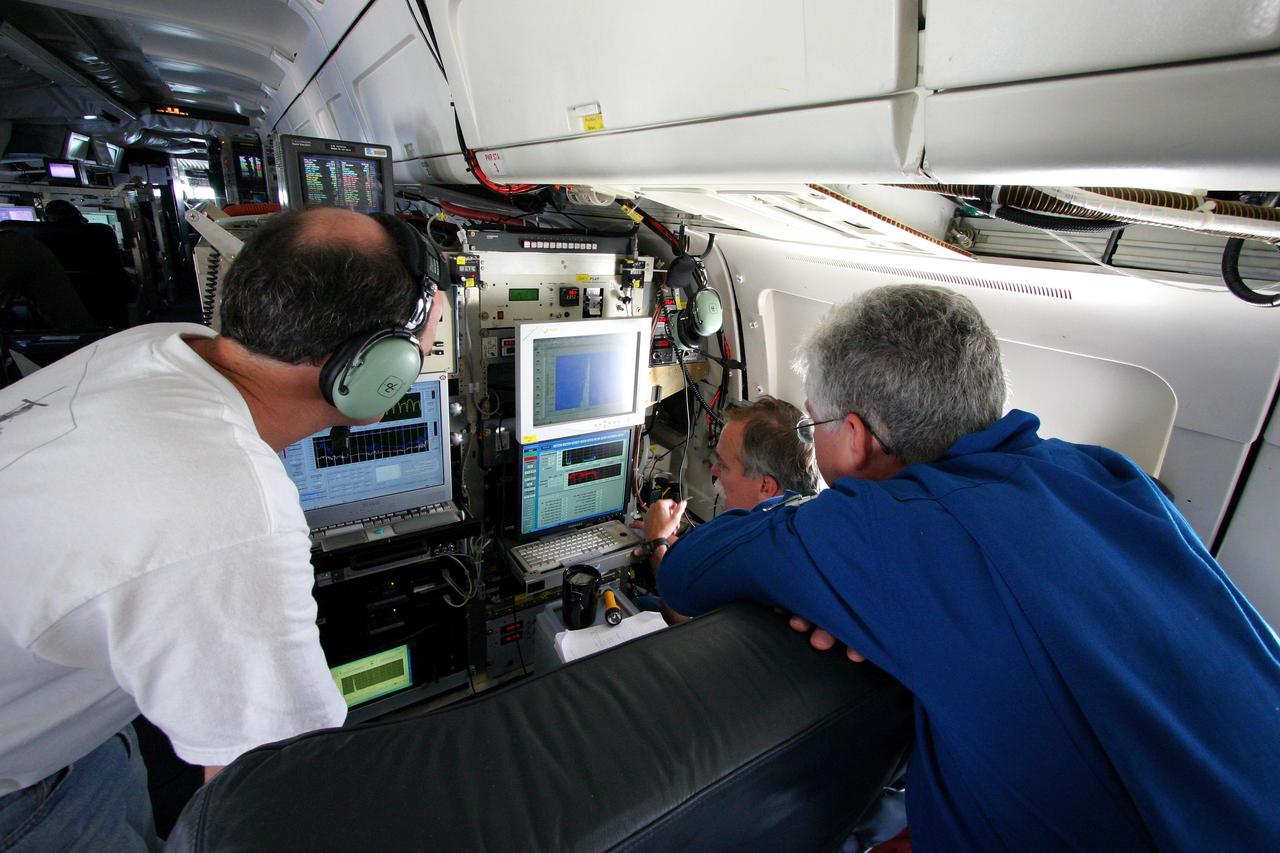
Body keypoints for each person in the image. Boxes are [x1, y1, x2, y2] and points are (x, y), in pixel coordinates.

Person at [656, 284, 1280, 850]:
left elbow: (685, 570)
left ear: (855, 436)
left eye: (814, 424)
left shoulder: (889, 527)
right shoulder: (1107, 473)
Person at [0, 207, 445, 850]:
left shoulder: (160, 345)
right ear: (377, 371)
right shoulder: (233, 520)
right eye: (421, 349)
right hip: (24, 796)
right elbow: (274, 801)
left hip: (64, 711)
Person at [638, 395, 819, 578]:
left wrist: (656, 542)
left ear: (766, 486)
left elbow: (678, 605)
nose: (715, 470)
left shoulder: (761, 555)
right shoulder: (798, 517)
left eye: (724, 465)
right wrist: (664, 533)